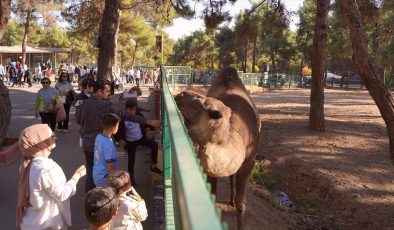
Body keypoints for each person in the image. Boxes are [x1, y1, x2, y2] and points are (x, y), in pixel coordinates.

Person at [76, 79, 161, 192]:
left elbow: (79, 121)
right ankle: (103, 197)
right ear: (99, 91)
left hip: (87, 143)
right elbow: (126, 115)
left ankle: (90, 196)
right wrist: (148, 122)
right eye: (107, 91)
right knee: (105, 172)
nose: (109, 93)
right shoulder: (106, 105)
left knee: (91, 169)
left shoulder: (85, 103)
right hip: (100, 146)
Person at [16, 124, 86, 230]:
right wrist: (77, 176)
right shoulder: (45, 168)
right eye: (51, 135)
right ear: (40, 142)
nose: (55, 137)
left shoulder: (27, 164)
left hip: (30, 222)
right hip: (47, 224)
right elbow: (62, 194)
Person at [114, 99, 162, 186]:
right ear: (127, 109)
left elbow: (145, 123)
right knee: (131, 160)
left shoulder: (138, 115)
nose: (133, 112)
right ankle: (131, 179)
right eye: (131, 110)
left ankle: (153, 167)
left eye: (135, 110)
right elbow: (116, 132)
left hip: (140, 138)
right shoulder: (121, 119)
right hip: (130, 142)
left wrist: (147, 129)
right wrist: (120, 140)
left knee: (154, 145)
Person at [93, 113, 121, 187]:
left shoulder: (98, 137)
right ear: (113, 127)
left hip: (97, 174)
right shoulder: (109, 145)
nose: (118, 127)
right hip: (105, 179)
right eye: (118, 125)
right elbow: (111, 167)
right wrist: (116, 182)